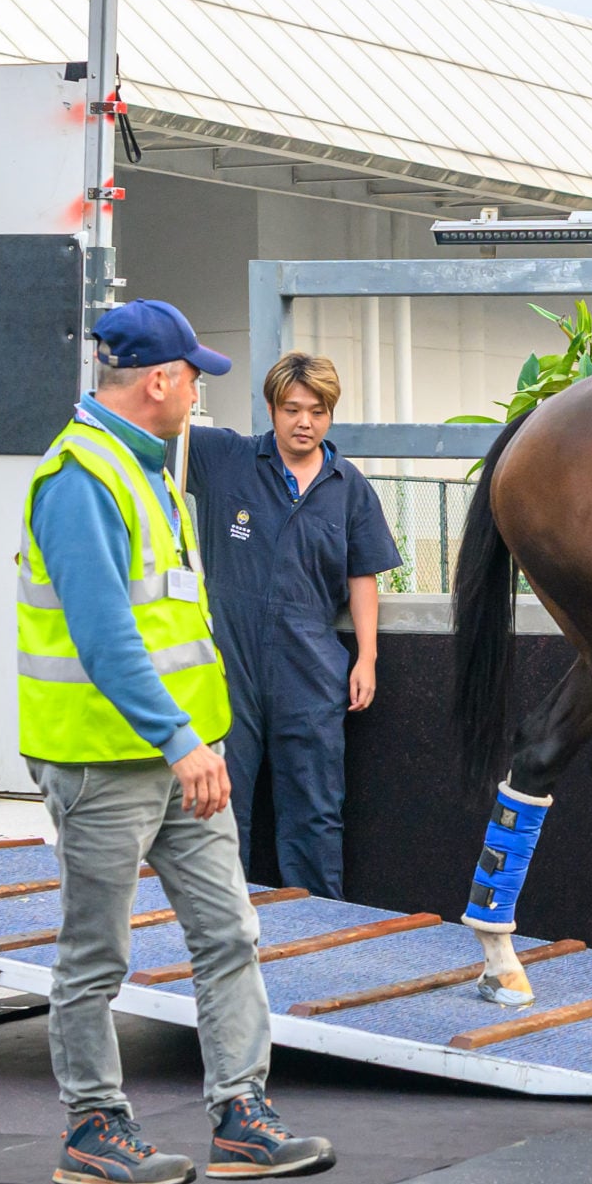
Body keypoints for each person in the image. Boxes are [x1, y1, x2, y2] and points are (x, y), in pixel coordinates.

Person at [16, 299, 335, 1184]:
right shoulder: (82, 477)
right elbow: (105, 635)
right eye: (193, 374)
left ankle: (241, 1115)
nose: (199, 389)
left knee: (230, 932)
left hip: (185, 759)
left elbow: (172, 627)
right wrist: (178, 740)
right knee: (96, 953)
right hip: (106, 761)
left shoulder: (147, 468)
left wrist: (200, 741)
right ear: (159, 381)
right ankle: (92, 1127)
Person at [186, 351, 401, 899]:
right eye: (292, 409)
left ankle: (317, 927)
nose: (304, 422)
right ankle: (216, 922)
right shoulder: (225, 459)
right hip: (227, 665)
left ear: (331, 415)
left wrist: (368, 659)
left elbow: (363, 577)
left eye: (317, 410)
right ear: (271, 410)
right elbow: (149, 430)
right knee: (218, 804)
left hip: (310, 667)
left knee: (314, 807)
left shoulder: (348, 486)